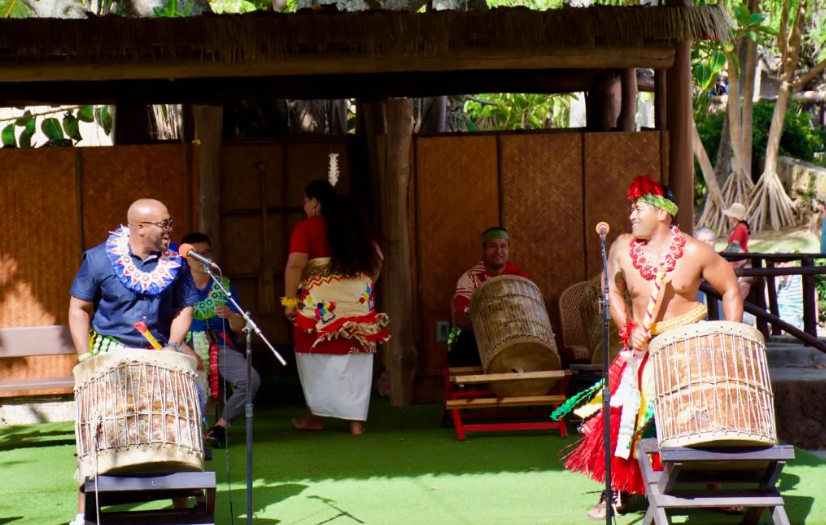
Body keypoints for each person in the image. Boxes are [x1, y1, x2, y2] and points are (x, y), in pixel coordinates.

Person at [552, 175, 742, 520]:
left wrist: (728, 336)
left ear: (663, 213)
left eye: (638, 208)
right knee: (623, 414)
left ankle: (716, 487)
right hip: (641, 347)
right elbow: (611, 292)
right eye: (631, 208)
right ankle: (616, 490)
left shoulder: (695, 251)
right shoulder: (622, 247)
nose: (631, 215)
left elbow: (730, 288)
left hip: (688, 349)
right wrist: (628, 328)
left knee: (704, 416)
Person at [67, 199, 200, 525]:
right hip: (111, 352)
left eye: (169, 223)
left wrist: (171, 346)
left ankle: (182, 505)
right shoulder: (99, 259)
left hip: (160, 353)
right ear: (140, 227)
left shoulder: (177, 264)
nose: (170, 230)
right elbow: (78, 309)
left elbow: (184, 309)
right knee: (99, 428)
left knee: (171, 424)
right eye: (164, 224)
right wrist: (85, 357)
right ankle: (85, 514)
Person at [283, 179, 389, 436]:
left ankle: (315, 417)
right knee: (355, 359)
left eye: (306, 202)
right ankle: (356, 423)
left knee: (315, 358)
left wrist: (289, 301)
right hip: (357, 305)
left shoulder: (306, 227)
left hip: (320, 306)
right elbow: (379, 260)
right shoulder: (356, 227)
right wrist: (363, 288)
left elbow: (296, 264)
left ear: (315, 202)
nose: (304, 206)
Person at [181, 232, 261, 448]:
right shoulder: (175, 286)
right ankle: (184, 432)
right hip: (184, 346)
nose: (203, 258)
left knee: (250, 379)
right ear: (186, 258)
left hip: (219, 345)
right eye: (197, 255)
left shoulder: (222, 284)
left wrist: (232, 316)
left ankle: (221, 427)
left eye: (207, 253)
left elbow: (239, 328)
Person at [449, 227, 530, 367]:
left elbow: (531, 313)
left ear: (508, 249)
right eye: (493, 246)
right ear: (484, 250)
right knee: (465, 345)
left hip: (514, 337)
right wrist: (490, 329)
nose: (499, 251)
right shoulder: (469, 278)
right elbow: (460, 318)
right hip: (479, 337)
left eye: (503, 246)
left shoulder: (520, 278)